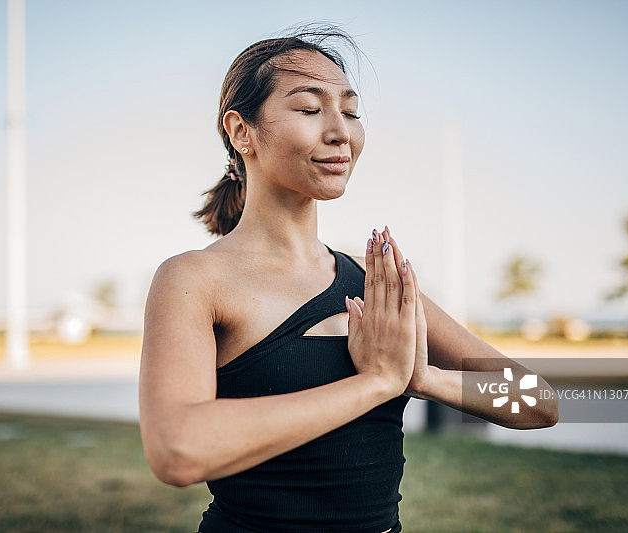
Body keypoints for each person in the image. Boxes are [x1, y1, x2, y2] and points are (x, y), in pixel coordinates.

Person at [138, 25, 558, 533]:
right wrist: (376, 383)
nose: (341, 131)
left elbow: (538, 403)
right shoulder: (193, 279)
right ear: (241, 131)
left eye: (352, 112)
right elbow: (178, 450)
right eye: (309, 109)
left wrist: (424, 379)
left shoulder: (374, 282)